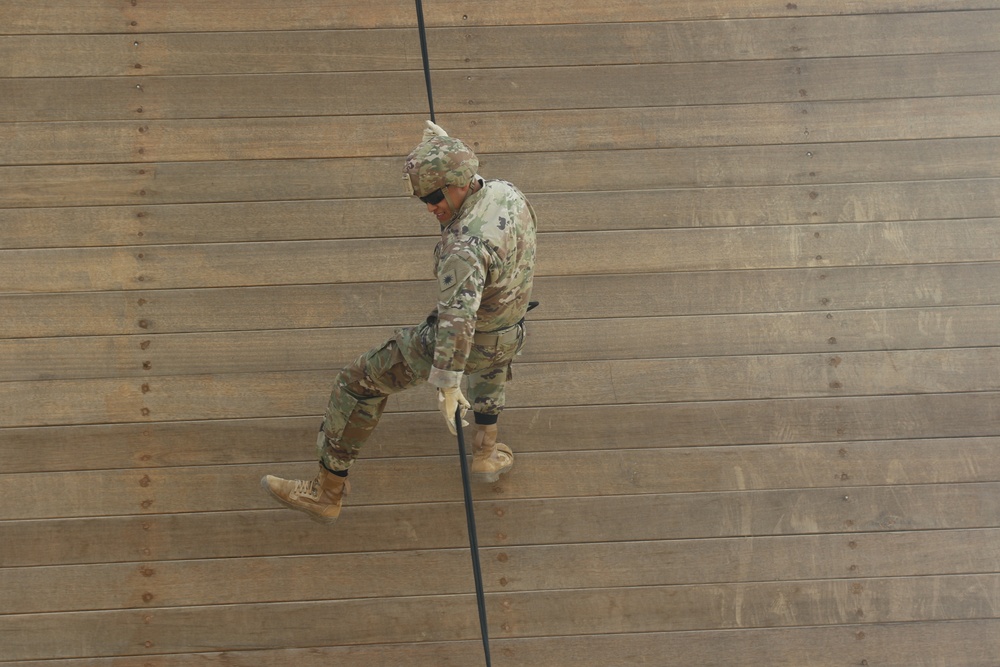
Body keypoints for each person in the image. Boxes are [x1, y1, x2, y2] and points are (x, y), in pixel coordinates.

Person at [261, 121, 538, 523]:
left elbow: (456, 321)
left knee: (357, 383)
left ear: (458, 183)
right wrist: (443, 149)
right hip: (510, 332)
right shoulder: (507, 194)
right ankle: (486, 451)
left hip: (469, 341)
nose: (429, 207)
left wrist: (446, 381)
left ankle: (326, 491)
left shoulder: (463, 248)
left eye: (433, 196)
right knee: (491, 360)